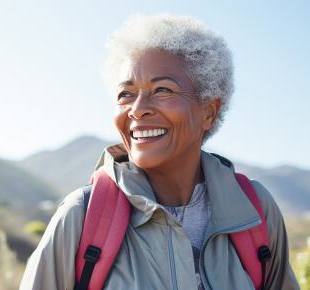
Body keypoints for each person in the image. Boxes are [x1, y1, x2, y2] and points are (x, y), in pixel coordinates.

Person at [19, 14, 299, 290]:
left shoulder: (255, 211)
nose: (138, 108)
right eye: (125, 94)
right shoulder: (81, 216)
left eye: (163, 89)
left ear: (209, 112)